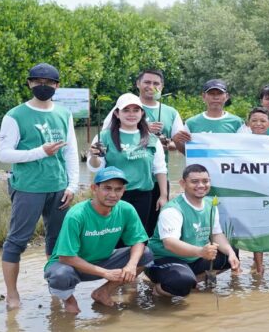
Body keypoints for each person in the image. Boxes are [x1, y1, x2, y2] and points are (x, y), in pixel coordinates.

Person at [0, 62, 79, 309]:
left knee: (57, 242)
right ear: (30, 83)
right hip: (28, 188)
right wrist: (39, 152)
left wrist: (72, 185)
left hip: (59, 187)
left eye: (49, 82)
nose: (43, 86)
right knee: (17, 241)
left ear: (57, 86)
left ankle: (57, 291)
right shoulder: (15, 115)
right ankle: (12, 295)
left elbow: (71, 152)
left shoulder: (64, 114)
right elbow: (4, 154)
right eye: (38, 81)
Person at [43, 167, 153, 314]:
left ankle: (103, 292)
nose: (113, 194)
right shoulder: (76, 214)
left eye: (118, 189)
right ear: (94, 188)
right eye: (107, 188)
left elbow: (138, 241)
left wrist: (131, 265)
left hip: (103, 260)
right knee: (60, 276)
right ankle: (69, 299)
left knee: (145, 254)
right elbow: (66, 257)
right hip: (71, 266)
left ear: (123, 191)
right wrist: (104, 273)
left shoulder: (126, 209)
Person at [103, 69, 184, 236]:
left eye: (156, 83)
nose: (151, 86)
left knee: (151, 225)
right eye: (147, 82)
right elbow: (106, 139)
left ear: (162, 86)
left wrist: (164, 142)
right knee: (119, 227)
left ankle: (146, 257)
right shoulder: (120, 107)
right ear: (138, 84)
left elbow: (178, 143)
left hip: (155, 179)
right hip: (124, 181)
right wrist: (146, 130)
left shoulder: (171, 112)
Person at [147, 164, 240, 297]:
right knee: (181, 283)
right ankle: (160, 289)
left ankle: (193, 281)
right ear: (183, 183)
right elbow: (170, 243)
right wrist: (201, 252)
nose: (201, 185)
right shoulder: (172, 209)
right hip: (165, 258)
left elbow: (216, 234)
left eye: (205, 181)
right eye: (195, 181)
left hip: (195, 257)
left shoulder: (210, 204)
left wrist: (230, 253)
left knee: (231, 253)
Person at [88, 93, 168, 232]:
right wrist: (94, 156)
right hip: (113, 195)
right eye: (126, 110)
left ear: (142, 113)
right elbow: (95, 167)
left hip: (143, 195)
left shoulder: (151, 138)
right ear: (117, 114)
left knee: (138, 234)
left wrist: (163, 196)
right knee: (113, 234)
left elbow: (160, 169)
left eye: (135, 110)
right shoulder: (104, 137)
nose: (131, 114)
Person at [172, 79, 243, 154]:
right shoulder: (191, 123)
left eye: (219, 93)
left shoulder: (238, 122)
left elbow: (245, 149)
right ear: (203, 96)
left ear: (227, 96)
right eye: (211, 93)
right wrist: (176, 141)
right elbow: (186, 152)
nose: (216, 97)